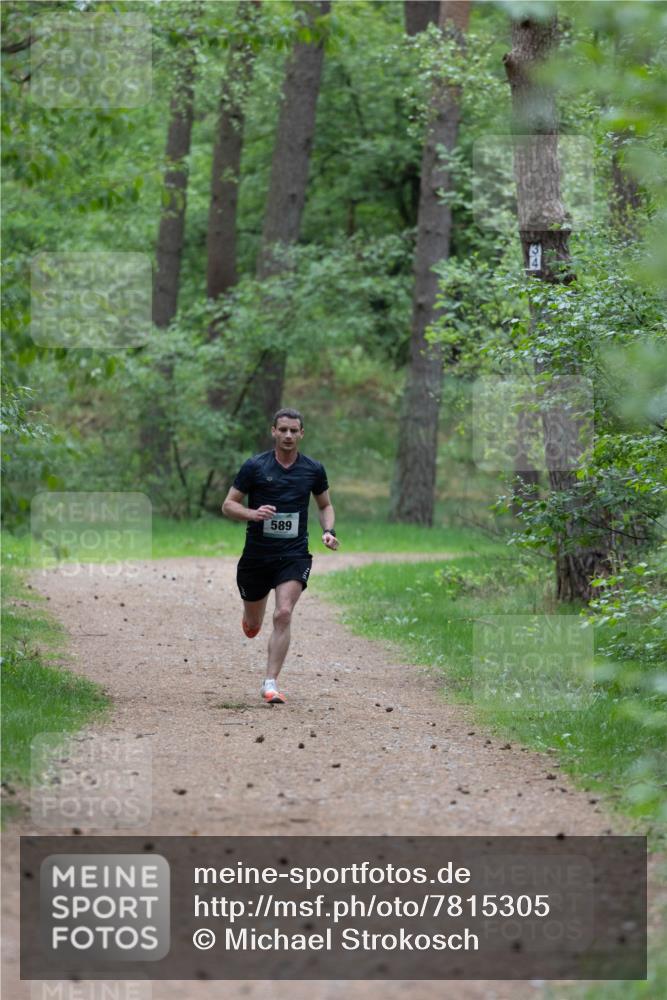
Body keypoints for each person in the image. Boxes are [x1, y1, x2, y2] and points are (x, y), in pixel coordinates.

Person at [222, 407, 339, 704]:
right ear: (273, 431)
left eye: (293, 430)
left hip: (294, 554)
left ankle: (270, 683)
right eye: (283, 429)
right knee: (253, 625)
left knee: (284, 613)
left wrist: (329, 531)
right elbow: (228, 505)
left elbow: (325, 505)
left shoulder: (313, 469)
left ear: (302, 434)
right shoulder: (255, 467)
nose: (288, 435)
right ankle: (251, 620)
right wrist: (253, 513)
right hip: (257, 556)